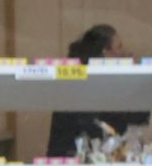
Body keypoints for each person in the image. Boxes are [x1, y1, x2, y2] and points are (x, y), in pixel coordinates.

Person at [45, 25, 145, 158]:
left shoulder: (81, 87)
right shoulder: (84, 91)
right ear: (106, 53)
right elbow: (115, 125)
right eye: (119, 47)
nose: (125, 53)